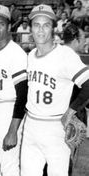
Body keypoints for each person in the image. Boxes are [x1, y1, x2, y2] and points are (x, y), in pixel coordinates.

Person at [21, 4, 89, 176]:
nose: (41, 30)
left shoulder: (65, 55)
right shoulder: (30, 55)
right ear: (31, 29)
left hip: (56, 128)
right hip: (31, 127)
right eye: (36, 25)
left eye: (46, 24)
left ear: (53, 28)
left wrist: (70, 111)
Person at [0, 5, 28, 176]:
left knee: (9, 167)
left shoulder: (16, 53)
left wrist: (12, 130)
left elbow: (23, 95)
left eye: (1, 24)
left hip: (8, 111)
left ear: (9, 27)